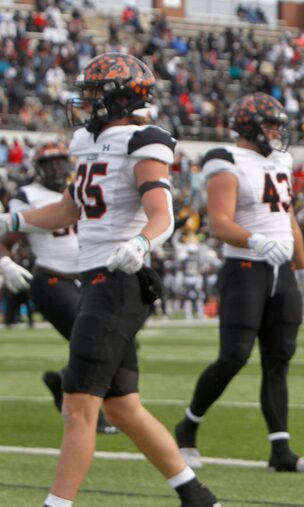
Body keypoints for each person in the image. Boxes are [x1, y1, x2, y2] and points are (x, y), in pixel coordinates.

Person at [0, 53, 220, 507]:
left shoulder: (143, 141)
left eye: (95, 93)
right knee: (122, 406)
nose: (86, 102)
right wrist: (12, 220)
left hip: (119, 278)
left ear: (120, 98)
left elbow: (163, 216)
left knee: (78, 406)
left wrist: (140, 244)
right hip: (98, 279)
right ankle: (197, 496)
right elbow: (67, 210)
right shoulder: (85, 141)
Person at [173, 92, 304, 473]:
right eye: (271, 125)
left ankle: (281, 451)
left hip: (281, 271)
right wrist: (256, 241)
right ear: (251, 128)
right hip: (245, 271)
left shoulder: (280, 160)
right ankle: (187, 428)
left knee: (278, 360)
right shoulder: (226, 159)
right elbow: (219, 222)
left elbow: (287, 220)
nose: (277, 133)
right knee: (234, 356)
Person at [0, 140, 117, 434]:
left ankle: (63, 381)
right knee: (93, 342)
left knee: (118, 342)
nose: (56, 167)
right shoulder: (29, 195)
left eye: (60, 161)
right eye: (49, 163)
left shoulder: (81, 187)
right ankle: (90, 413)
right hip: (53, 278)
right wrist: (5, 264)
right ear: (38, 168)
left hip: (90, 278)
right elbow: (5, 240)